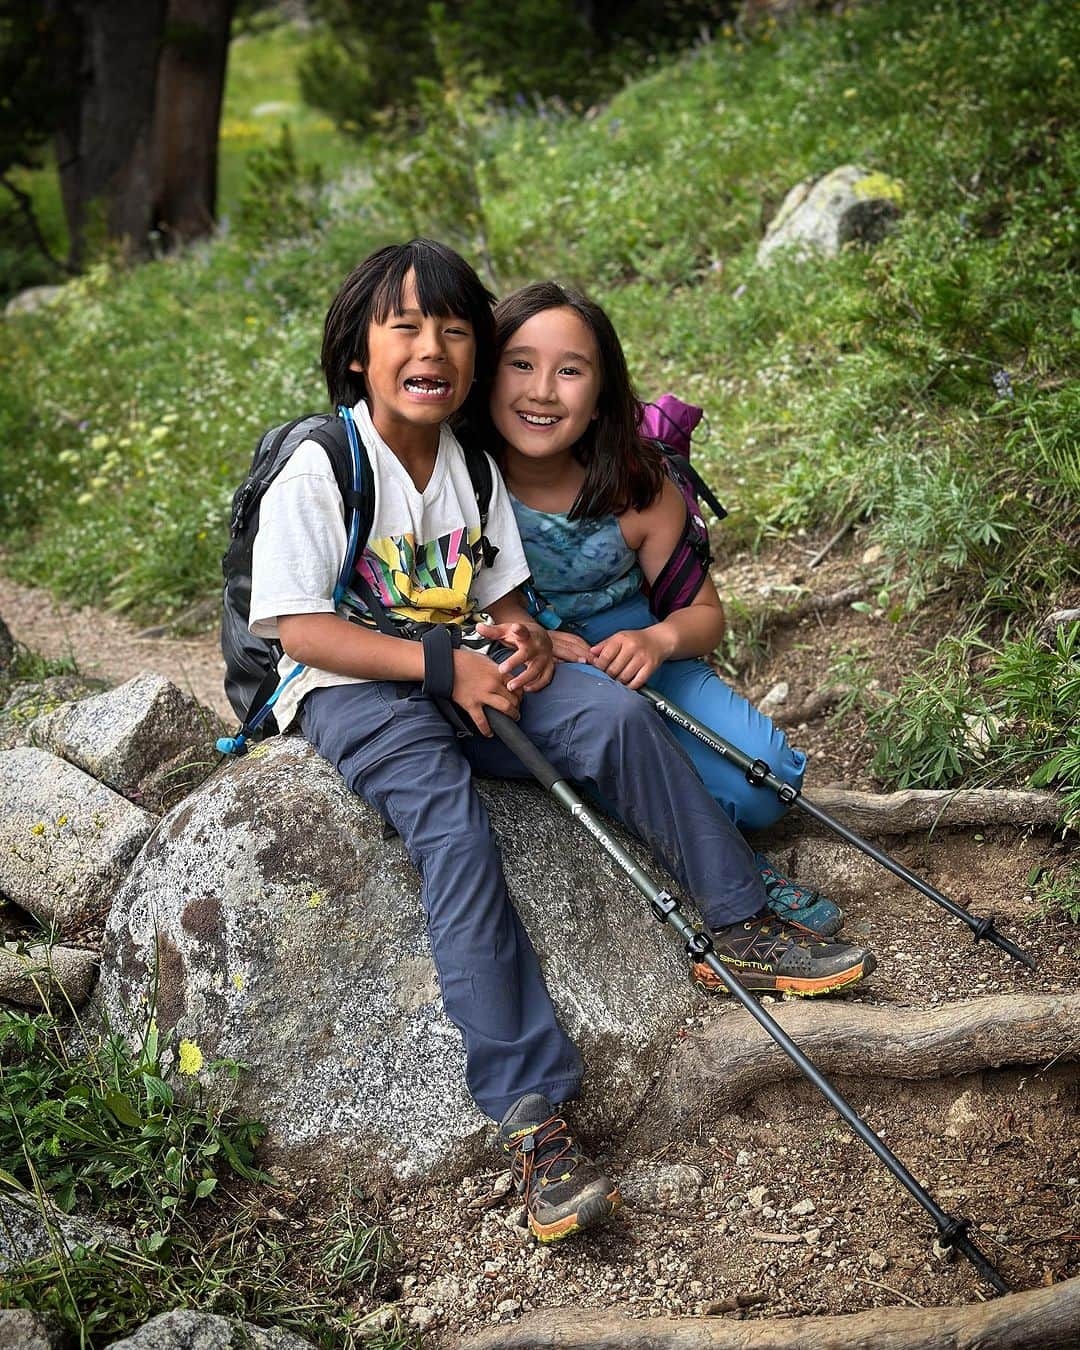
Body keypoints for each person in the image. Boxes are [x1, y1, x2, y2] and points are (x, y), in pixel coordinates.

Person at [247, 240, 875, 1243]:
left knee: (609, 711)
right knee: (452, 827)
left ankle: (735, 922)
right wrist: (443, 665)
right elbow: (296, 628)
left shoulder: (465, 466)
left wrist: (530, 645)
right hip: (354, 692)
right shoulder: (325, 462)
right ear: (357, 354)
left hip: (462, 670)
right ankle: (535, 1118)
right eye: (404, 327)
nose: (434, 347)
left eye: (456, 330)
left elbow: (499, 596)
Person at [490, 281, 844, 951]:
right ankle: (727, 865)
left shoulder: (637, 485)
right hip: (536, 670)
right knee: (608, 748)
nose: (542, 390)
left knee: (765, 783)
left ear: (600, 398)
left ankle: (689, 818)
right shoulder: (456, 477)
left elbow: (706, 616)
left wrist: (657, 639)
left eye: (570, 370)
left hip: (631, 648)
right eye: (520, 363)